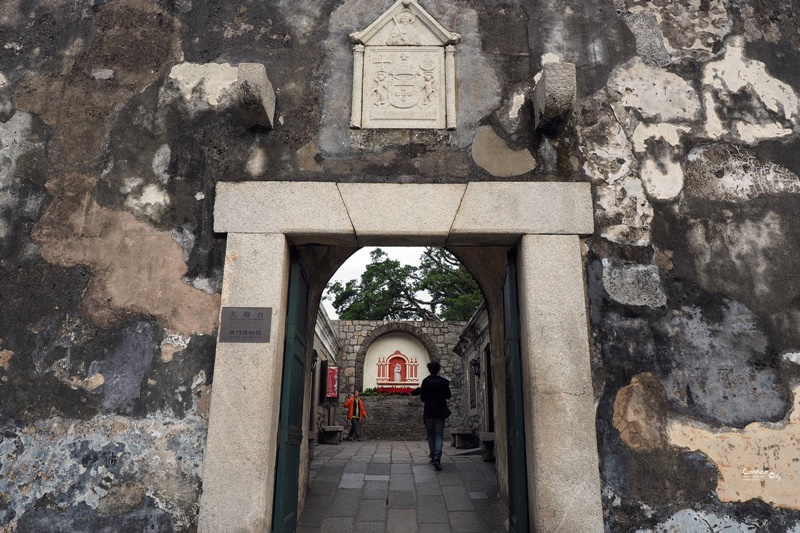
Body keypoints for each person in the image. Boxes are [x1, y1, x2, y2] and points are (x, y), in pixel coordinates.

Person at [411, 361, 451, 470]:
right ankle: (437, 457)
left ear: (429, 370)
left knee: (431, 435)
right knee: (439, 434)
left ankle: (433, 456)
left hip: (429, 411)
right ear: (438, 370)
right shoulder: (444, 382)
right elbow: (448, 396)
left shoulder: (426, 382)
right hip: (440, 411)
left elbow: (423, 397)